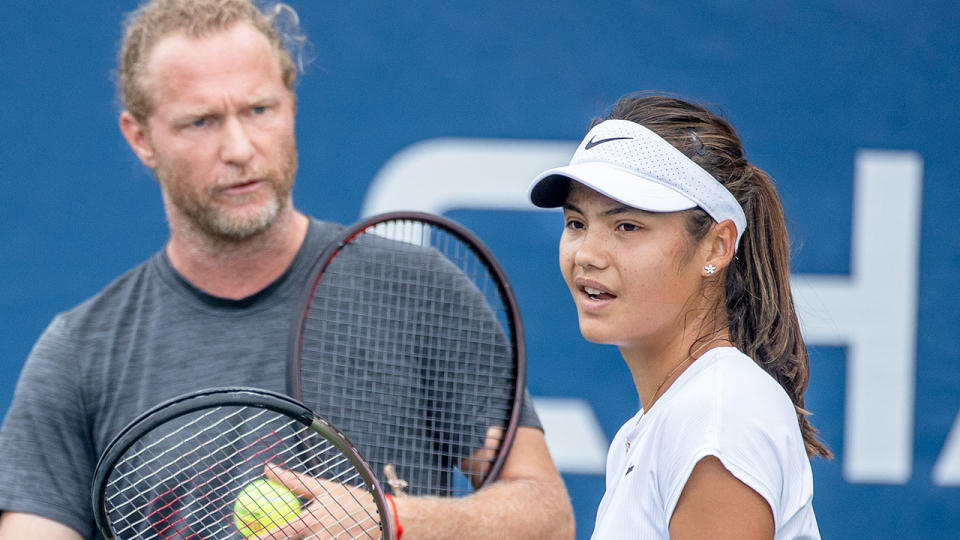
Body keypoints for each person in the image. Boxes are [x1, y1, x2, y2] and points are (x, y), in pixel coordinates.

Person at [0, 1, 574, 539]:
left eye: (258, 110)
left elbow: (547, 518)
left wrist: (391, 519)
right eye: (200, 121)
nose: (240, 147)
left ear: (291, 105)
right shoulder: (77, 354)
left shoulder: (423, 291)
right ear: (141, 138)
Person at [528, 94, 831, 539]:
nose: (587, 255)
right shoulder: (658, 425)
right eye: (576, 223)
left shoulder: (717, 418)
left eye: (626, 226)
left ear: (717, 245)